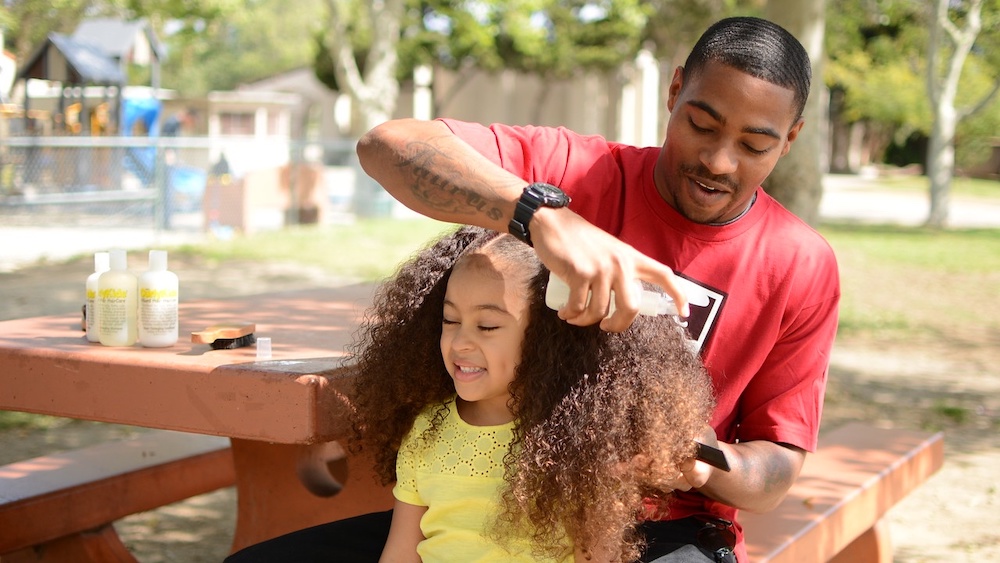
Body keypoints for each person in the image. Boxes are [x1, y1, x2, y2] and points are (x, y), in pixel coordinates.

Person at [226, 15, 839, 563]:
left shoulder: (799, 264)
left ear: (790, 139)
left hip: (662, 532)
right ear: (674, 92)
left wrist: (705, 462)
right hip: (493, 504)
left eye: (754, 145)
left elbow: (776, 467)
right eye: (701, 125)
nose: (720, 161)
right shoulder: (579, 172)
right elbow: (387, 145)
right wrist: (541, 218)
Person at [347, 226, 714, 562]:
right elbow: (400, 551)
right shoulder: (426, 430)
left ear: (545, 339)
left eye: (487, 325)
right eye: (450, 320)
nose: (460, 342)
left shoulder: (582, 441)